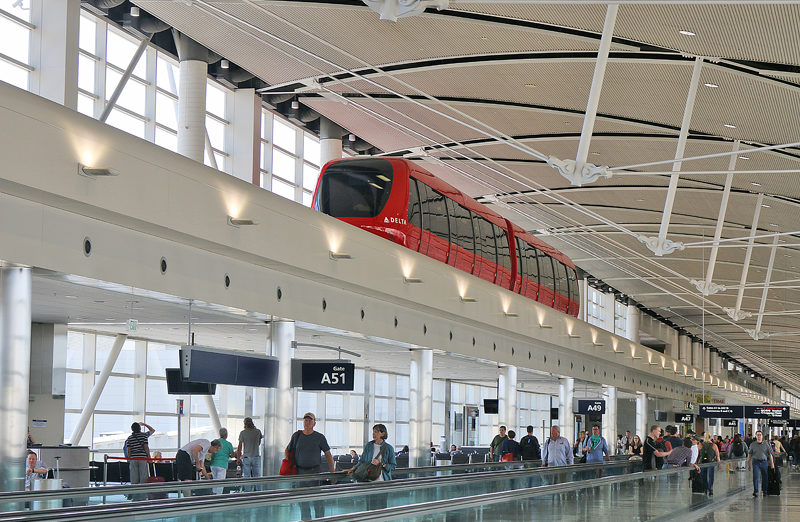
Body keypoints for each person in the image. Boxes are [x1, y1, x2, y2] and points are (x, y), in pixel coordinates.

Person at [346, 424, 397, 511]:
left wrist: (381, 464)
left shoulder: (389, 448)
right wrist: (353, 468)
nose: (373, 434)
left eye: (376, 432)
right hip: (368, 480)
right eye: (373, 431)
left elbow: (393, 465)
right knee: (370, 507)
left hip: (382, 482)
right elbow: (362, 461)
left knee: (381, 507)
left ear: (383, 433)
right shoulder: (369, 445)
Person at [747, 430, 774, 497]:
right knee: (755, 477)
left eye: (760, 435)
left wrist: (772, 463)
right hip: (755, 462)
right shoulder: (752, 445)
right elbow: (750, 454)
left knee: (765, 476)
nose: (759, 436)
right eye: (757, 435)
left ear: (762, 436)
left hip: (764, 462)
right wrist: (748, 463)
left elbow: (770, 454)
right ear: (755, 436)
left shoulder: (766, 444)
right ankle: (756, 491)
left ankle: (764, 490)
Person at [209, 427, 235, 494]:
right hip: (222, 464)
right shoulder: (228, 444)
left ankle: (213, 495)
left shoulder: (215, 442)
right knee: (220, 483)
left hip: (213, 464)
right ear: (226, 435)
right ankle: (218, 497)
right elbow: (232, 455)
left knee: (214, 481)